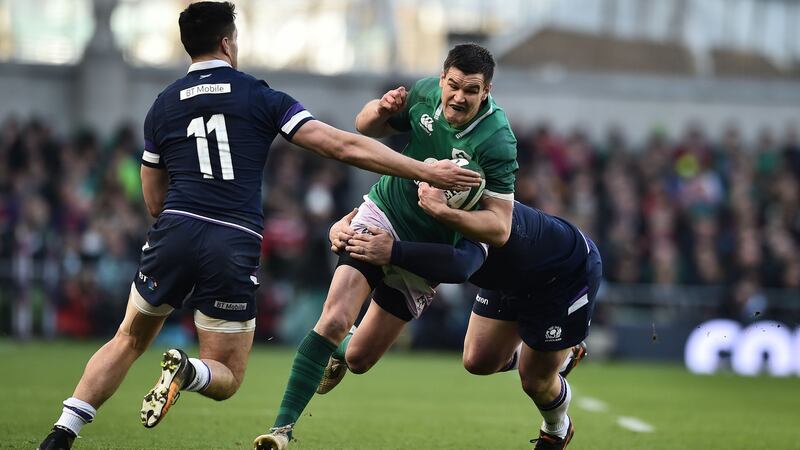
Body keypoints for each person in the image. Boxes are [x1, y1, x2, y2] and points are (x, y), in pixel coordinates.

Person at [36, 3, 481, 449]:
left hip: (174, 229)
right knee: (227, 374)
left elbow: (153, 200)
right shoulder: (256, 94)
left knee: (128, 337)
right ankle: (191, 372)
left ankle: (63, 430)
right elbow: (341, 145)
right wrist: (423, 170)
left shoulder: (163, 106)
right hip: (232, 241)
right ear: (228, 42)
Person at [254, 43, 518, 449]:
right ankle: (281, 430)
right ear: (443, 77)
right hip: (385, 212)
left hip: (426, 251)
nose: (458, 97)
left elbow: (499, 229)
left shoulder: (498, 141)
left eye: (471, 90)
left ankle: (338, 353)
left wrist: (443, 212)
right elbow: (365, 128)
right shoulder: (426, 92)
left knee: (358, 359)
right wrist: (379, 108)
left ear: (487, 91)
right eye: (453, 85)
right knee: (334, 318)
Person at [323, 188, 602, 450]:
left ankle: (556, 430)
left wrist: (394, 251)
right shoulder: (421, 194)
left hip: (561, 278)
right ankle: (561, 355)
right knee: (477, 360)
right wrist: (340, 230)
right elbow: (382, 209)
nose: (424, 189)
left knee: (534, 380)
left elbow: (460, 266)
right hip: (507, 278)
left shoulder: (475, 216)